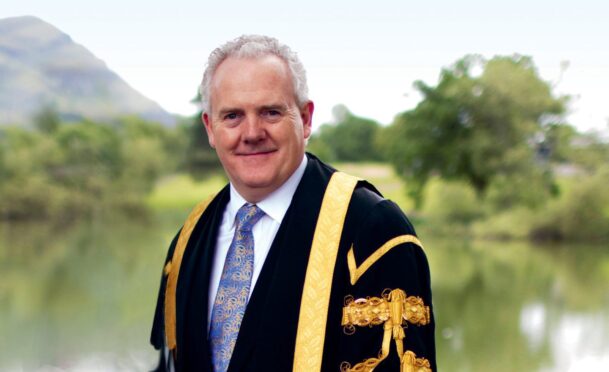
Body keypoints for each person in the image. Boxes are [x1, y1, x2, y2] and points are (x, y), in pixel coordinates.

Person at [150, 35, 436, 372]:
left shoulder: (371, 231)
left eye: (271, 112)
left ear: (305, 118)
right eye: (232, 116)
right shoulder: (190, 237)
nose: (252, 132)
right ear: (210, 128)